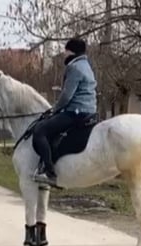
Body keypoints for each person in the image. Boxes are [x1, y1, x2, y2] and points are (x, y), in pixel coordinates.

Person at [32, 38, 97, 186]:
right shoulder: (86, 65)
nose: (64, 54)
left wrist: (55, 110)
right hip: (89, 111)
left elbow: (67, 96)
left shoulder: (74, 68)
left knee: (40, 130)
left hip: (75, 112)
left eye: (65, 50)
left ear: (71, 51)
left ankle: (48, 172)